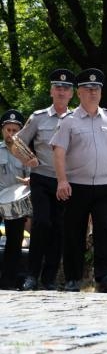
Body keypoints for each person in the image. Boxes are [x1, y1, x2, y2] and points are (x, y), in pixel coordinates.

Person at [51, 68, 107, 293]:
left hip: (105, 184)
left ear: (101, 93)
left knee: (106, 230)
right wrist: (62, 180)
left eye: (97, 89)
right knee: (74, 232)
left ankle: (104, 277)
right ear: (79, 93)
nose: (93, 93)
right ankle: (73, 278)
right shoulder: (69, 121)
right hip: (77, 185)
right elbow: (58, 152)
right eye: (88, 89)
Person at [12, 68, 75, 291]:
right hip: (41, 178)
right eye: (58, 87)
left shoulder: (76, 119)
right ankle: (31, 275)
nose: (61, 91)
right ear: (51, 91)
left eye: (66, 88)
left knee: (59, 228)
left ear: (71, 94)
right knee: (41, 223)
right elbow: (16, 142)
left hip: (65, 181)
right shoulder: (38, 118)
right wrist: (26, 159)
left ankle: (49, 278)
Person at [0, 110, 30, 290]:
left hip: (17, 203)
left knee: (14, 240)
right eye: (8, 130)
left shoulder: (26, 154)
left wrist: (29, 181)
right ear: (3, 130)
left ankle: (8, 280)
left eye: (15, 130)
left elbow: (31, 176)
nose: (11, 134)